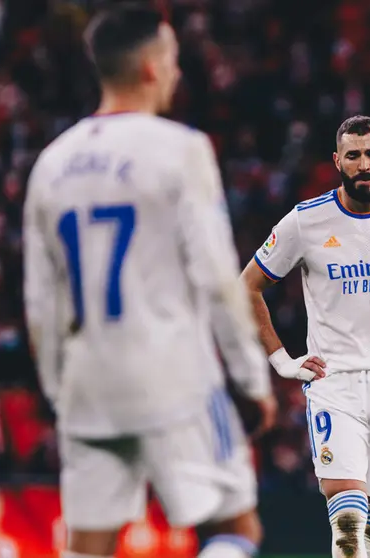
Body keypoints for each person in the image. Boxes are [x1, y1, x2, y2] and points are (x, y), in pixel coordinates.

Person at [22, 5, 275, 558]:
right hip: (174, 376)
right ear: (153, 68)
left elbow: (41, 306)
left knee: (89, 546)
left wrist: (59, 392)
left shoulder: (50, 165)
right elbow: (215, 280)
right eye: (174, 60)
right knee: (233, 530)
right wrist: (252, 379)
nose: (179, 73)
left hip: (88, 382)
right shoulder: (181, 150)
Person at [240, 115, 370, 558]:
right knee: (348, 527)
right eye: (354, 156)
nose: (364, 165)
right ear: (337, 160)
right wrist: (281, 360)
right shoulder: (306, 222)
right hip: (335, 384)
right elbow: (245, 287)